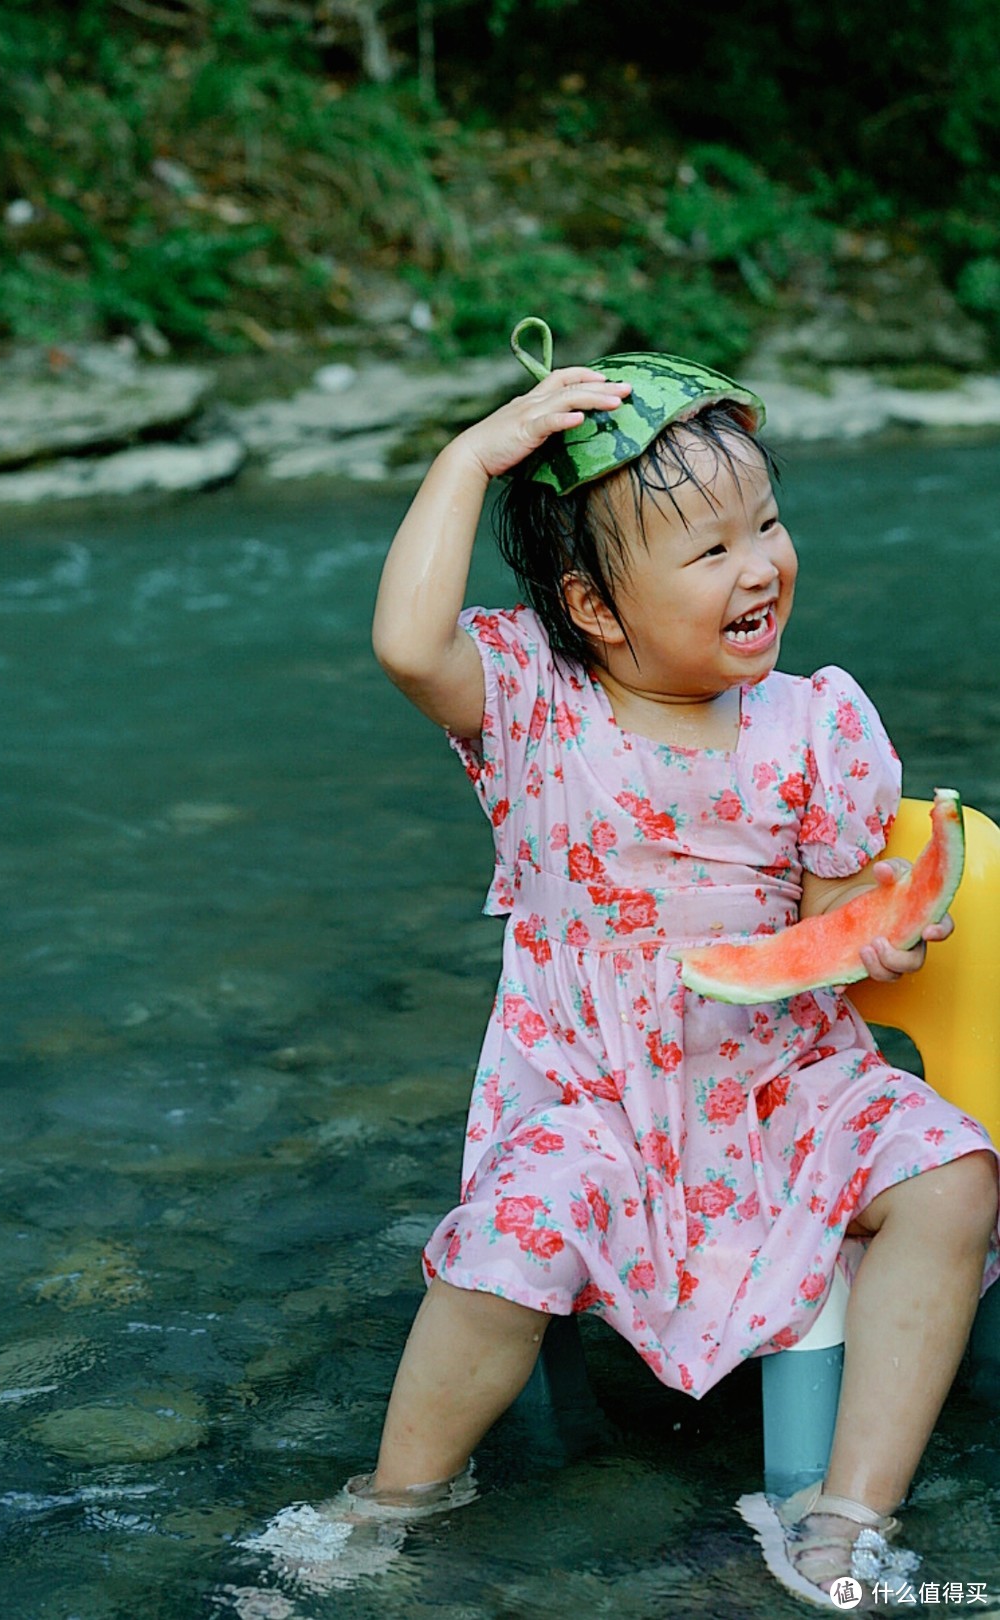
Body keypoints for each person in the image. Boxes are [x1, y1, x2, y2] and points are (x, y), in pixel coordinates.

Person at [249, 321, 1000, 1611]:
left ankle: (842, 1514)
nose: (760, 565)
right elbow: (404, 643)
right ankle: (394, 1499)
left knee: (956, 1177)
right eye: (710, 549)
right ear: (595, 607)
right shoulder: (534, 708)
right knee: (511, 1239)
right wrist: (471, 458)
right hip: (593, 1092)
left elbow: (815, 945)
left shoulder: (818, 720)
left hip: (781, 1082)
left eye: (765, 525)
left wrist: (873, 933)